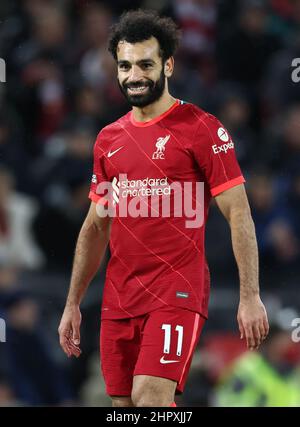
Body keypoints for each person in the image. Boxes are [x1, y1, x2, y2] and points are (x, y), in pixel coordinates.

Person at [58, 9, 269, 407]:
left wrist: (250, 295)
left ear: (168, 64)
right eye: (124, 66)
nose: (133, 76)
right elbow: (95, 227)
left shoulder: (202, 128)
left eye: (145, 64)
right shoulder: (108, 140)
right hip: (119, 298)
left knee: (150, 399)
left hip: (177, 291)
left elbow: (239, 213)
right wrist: (72, 304)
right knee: (123, 407)